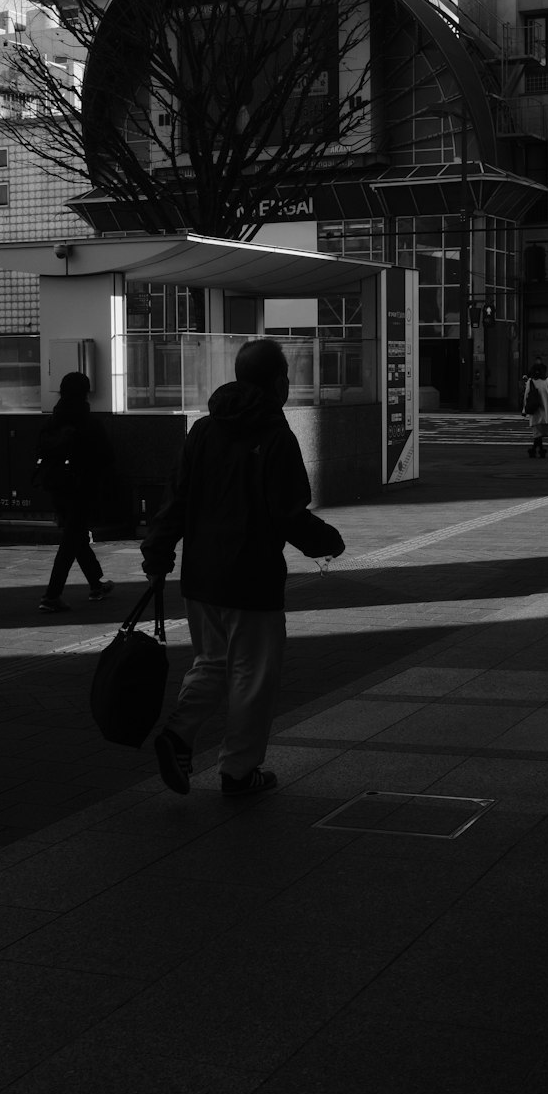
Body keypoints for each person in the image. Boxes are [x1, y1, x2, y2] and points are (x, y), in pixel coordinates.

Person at [141, 338, 345, 798]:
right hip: (251, 579)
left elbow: (175, 500)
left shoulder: (204, 431)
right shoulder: (276, 434)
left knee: (211, 662)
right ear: (278, 381)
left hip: (201, 576)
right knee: (253, 676)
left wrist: (157, 556)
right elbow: (287, 512)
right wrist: (326, 542)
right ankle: (239, 771)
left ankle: (178, 736)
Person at [38, 371, 115, 612]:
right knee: (72, 540)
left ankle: (96, 584)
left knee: (77, 536)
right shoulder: (89, 423)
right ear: (85, 393)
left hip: (56, 486)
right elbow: (106, 458)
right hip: (82, 489)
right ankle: (51, 595)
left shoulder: (53, 421)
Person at [522, 359, 548, 458]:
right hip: (546, 409)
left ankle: (536, 450)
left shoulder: (531, 381)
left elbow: (526, 396)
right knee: (539, 432)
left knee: (537, 432)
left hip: (535, 410)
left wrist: (524, 410)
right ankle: (539, 450)